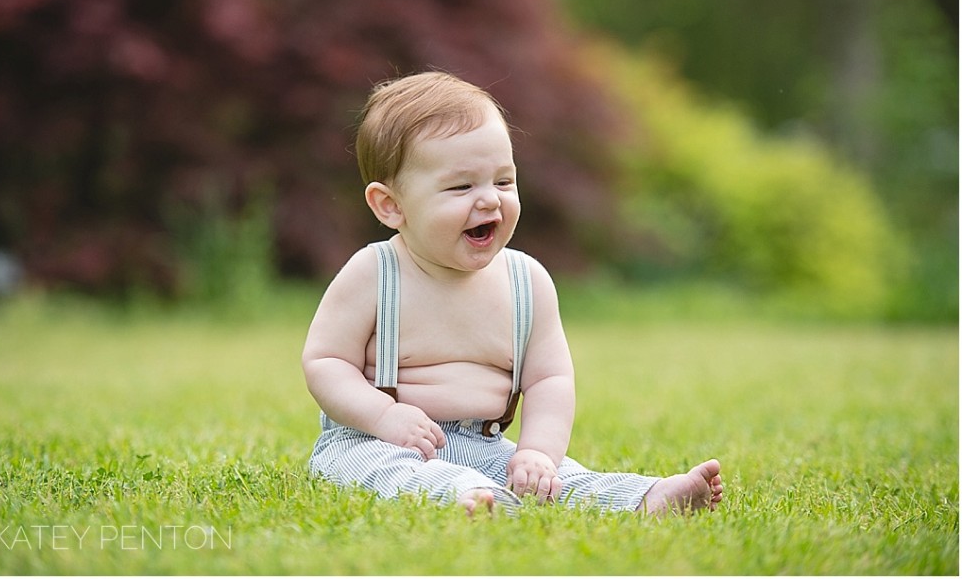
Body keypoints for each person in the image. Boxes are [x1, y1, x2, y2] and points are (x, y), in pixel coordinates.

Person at [301, 71, 723, 515]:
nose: (489, 200)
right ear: (391, 206)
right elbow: (326, 362)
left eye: (503, 181)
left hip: (486, 446)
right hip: (376, 440)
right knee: (391, 472)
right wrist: (382, 416)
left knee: (558, 481)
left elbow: (549, 380)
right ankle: (463, 496)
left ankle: (645, 497)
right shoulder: (375, 273)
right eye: (462, 186)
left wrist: (537, 452)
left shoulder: (527, 282)